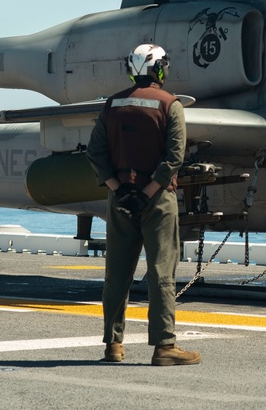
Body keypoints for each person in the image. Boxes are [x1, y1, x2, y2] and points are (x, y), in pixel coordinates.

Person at [86, 43, 200, 366]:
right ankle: (164, 346)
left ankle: (113, 345)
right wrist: (147, 192)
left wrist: (120, 190)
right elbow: (174, 157)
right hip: (157, 200)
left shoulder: (112, 105)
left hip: (120, 198)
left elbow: (95, 153)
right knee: (161, 272)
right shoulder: (171, 105)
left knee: (117, 273)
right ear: (160, 70)